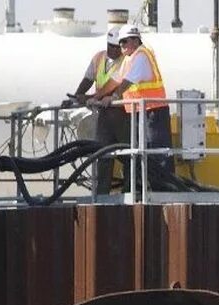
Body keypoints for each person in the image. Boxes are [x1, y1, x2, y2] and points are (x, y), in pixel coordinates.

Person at [89, 24, 173, 191]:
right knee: (142, 152)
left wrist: (113, 97)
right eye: (120, 43)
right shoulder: (129, 59)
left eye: (125, 42)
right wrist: (95, 97)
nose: (122, 46)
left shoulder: (141, 55)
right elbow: (114, 81)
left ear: (135, 40)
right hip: (139, 113)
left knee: (157, 153)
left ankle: (164, 192)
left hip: (154, 112)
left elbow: (127, 82)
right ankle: (145, 189)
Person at [70, 25, 129, 195]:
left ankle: (130, 189)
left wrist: (90, 97)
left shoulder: (125, 62)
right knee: (102, 154)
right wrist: (77, 96)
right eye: (111, 46)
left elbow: (113, 86)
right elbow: (88, 79)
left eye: (117, 47)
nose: (113, 50)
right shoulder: (99, 58)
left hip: (121, 114)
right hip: (103, 115)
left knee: (127, 154)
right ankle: (101, 194)